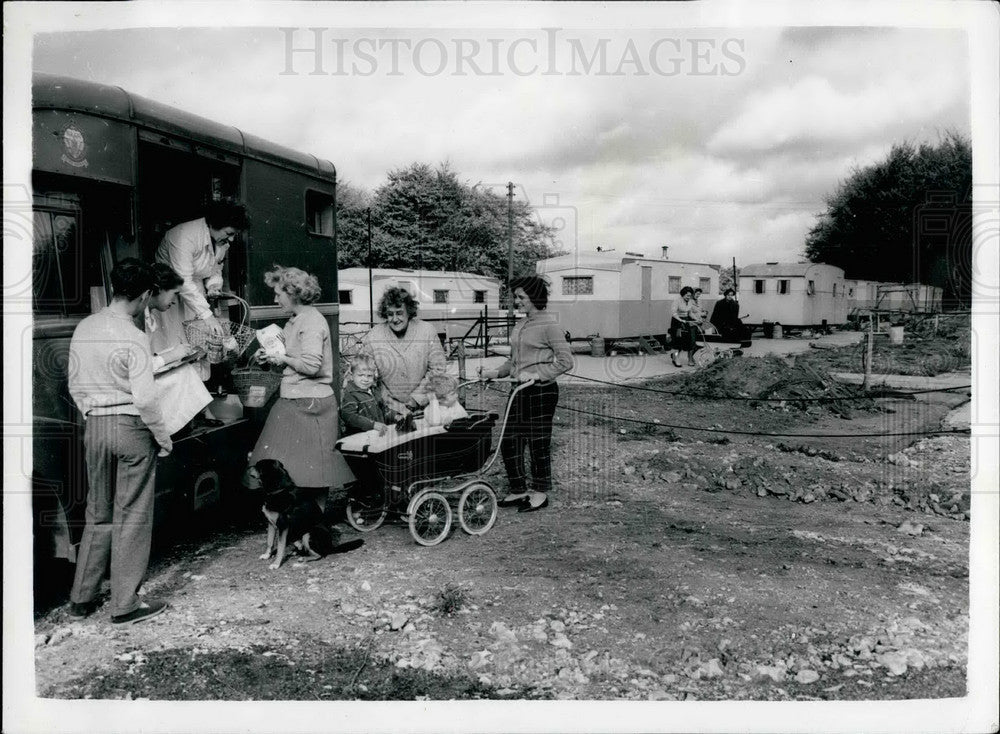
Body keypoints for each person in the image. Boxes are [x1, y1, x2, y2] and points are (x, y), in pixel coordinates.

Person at [66, 258, 171, 624]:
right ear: (144, 295)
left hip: (94, 426)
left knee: (98, 511)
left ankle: (82, 597)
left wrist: (93, 416)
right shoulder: (135, 336)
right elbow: (145, 399)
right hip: (130, 427)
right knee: (133, 515)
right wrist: (163, 436)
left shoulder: (85, 326)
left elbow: (74, 384)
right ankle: (125, 604)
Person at [248, 265, 352, 512]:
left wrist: (282, 359)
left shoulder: (312, 322)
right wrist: (272, 357)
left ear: (292, 293)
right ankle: (297, 523)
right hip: (296, 398)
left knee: (315, 469)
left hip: (311, 402)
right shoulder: (295, 321)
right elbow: (292, 356)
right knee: (289, 463)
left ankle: (313, 526)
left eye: (278, 294)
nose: (275, 299)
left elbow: (311, 365)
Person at [480, 276, 573, 513]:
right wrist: (493, 372)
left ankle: (540, 492)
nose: (517, 301)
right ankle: (518, 489)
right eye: (516, 297)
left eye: (521, 297)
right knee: (510, 442)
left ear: (535, 297)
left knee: (538, 444)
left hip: (542, 391)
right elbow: (513, 362)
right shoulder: (520, 325)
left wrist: (536, 374)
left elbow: (566, 361)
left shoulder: (549, 325)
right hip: (519, 391)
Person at [152, 200, 250, 379]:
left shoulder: (221, 242)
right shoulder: (183, 235)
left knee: (199, 344)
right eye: (229, 233)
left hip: (194, 293)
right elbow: (182, 280)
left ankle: (197, 390)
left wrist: (213, 286)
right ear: (215, 224)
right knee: (174, 343)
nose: (231, 239)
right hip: (169, 295)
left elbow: (215, 268)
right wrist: (207, 315)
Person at [146, 263, 213, 435]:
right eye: (174, 294)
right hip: (138, 383)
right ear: (159, 289)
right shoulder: (139, 318)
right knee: (185, 374)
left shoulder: (148, 315)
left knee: (185, 369)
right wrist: (172, 355)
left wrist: (177, 355)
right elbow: (141, 366)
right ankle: (172, 430)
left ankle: (183, 425)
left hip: (143, 374)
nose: (175, 301)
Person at [361, 286, 446, 416]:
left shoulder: (427, 331)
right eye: (390, 314)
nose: (395, 319)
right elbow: (364, 371)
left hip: (425, 409)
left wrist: (416, 399)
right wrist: (388, 402)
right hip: (387, 410)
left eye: (399, 313)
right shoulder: (373, 336)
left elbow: (438, 370)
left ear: (409, 312)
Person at [340, 353, 392, 437]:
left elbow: (384, 410)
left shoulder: (374, 391)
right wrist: (372, 425)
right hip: (359, 439)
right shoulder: (350, 394)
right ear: (352, 376)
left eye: (369, 376)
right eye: (360, 375)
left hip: (377, 435)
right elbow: (349, 416)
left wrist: (396, 416)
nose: (365, 379)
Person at [668, 286, 701, 367]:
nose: (689, 297)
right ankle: (675, 358)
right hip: (677, 322)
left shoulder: (689, 301)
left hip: (686, 321)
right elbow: (674, 313)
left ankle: (689, 358)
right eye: (687, 296)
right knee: (677, 341)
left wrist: (696, 319)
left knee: (688, 340)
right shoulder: (677, 301)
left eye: (690, 296)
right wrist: (680, 320)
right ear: (683, 295)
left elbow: (690, 313)